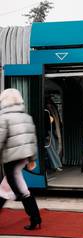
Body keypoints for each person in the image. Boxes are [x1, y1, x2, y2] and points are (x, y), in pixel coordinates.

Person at [0, 88, 41, 230]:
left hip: (11, 158)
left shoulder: (3, 117)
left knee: (20, 190)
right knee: (5, 187)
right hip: (23, 157)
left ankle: (35, 218)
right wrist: (31, 159)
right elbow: (32, 139)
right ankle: (36, 218)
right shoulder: (26, 117)